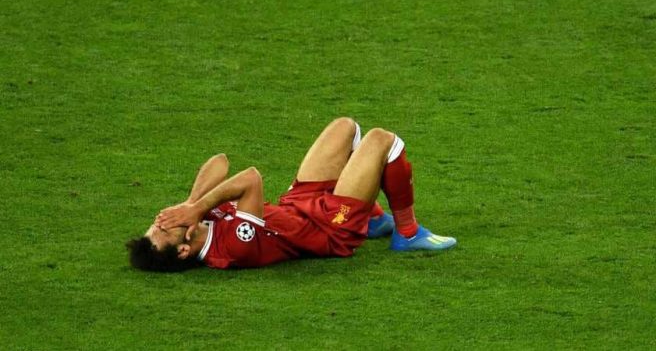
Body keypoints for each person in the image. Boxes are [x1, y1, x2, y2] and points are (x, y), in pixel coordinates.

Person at [126, 117, 456, 272]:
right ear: (184, 250)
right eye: (163, 230)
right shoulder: (234, 248)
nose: (163, 220)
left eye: (155, 223)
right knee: (382, 140)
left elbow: (220, 162)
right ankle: (407, 233)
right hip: (331, 228)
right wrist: (198, 208)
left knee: (345, 128)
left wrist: (191, 204)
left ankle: (369, 219)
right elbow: (251, 178)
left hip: (299, 205)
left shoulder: (200, 219)